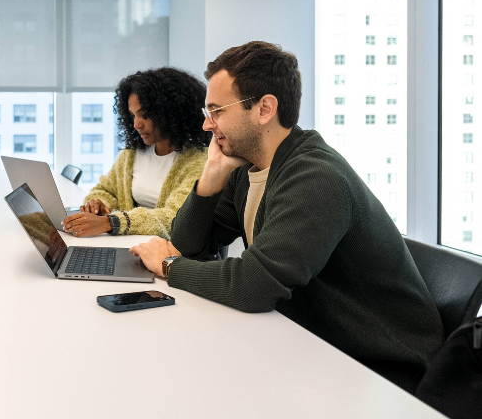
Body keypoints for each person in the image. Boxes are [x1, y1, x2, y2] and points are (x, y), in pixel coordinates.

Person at [130, 41, 444, 394]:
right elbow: (188, 243)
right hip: (309, 341)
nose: (206, 124)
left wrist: (169, 266)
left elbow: (254, 284)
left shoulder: (316, 177)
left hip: (380, 371)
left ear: (264, 108)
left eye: (217, 111)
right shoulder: (247, 168)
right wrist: (212, 175)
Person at [62, 67, 209, 239]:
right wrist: (99, 205)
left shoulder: (200, 161)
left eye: (144, 115)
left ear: (172, 113)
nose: (136, 124)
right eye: (132, 116)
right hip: (131, 245)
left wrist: (110, 222)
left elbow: (176, 218)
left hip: (170, 256)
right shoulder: (131, 154)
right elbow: (106, 190)